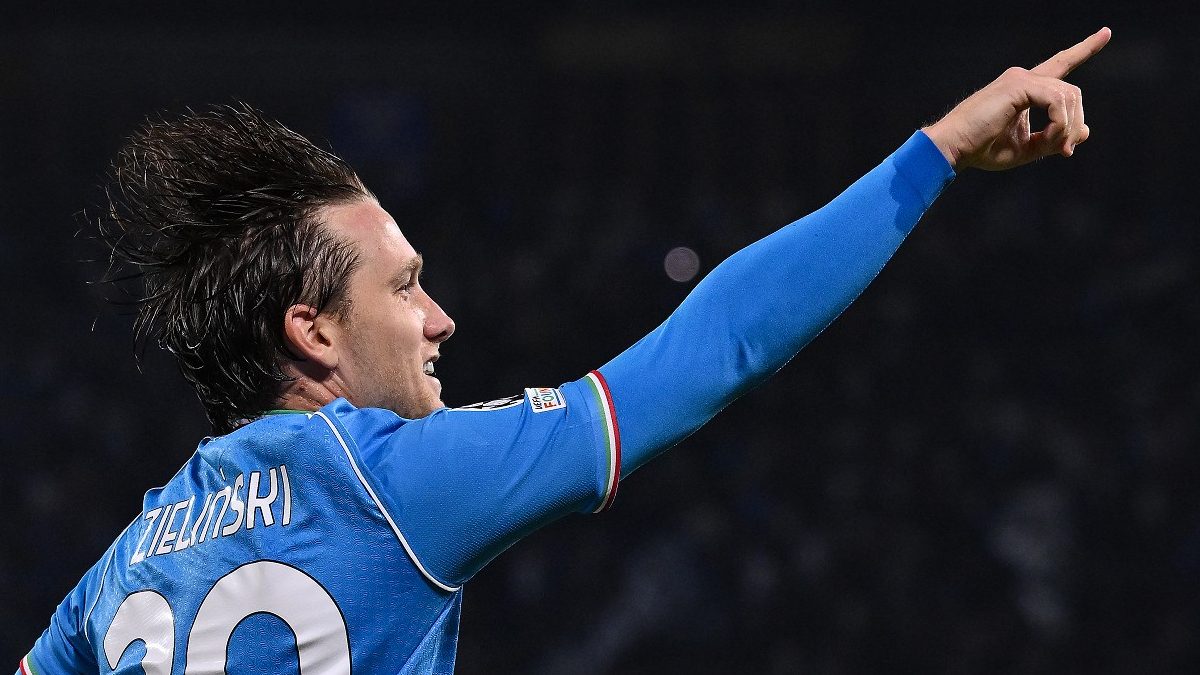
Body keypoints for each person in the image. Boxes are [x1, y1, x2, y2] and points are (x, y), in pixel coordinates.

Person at [18, 27, 1111, 674]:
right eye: (403, 286)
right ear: (312, 332)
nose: (441, 318)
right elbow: (719, 344)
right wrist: (938, 151)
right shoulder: (394, 483)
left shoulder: (127, 561)